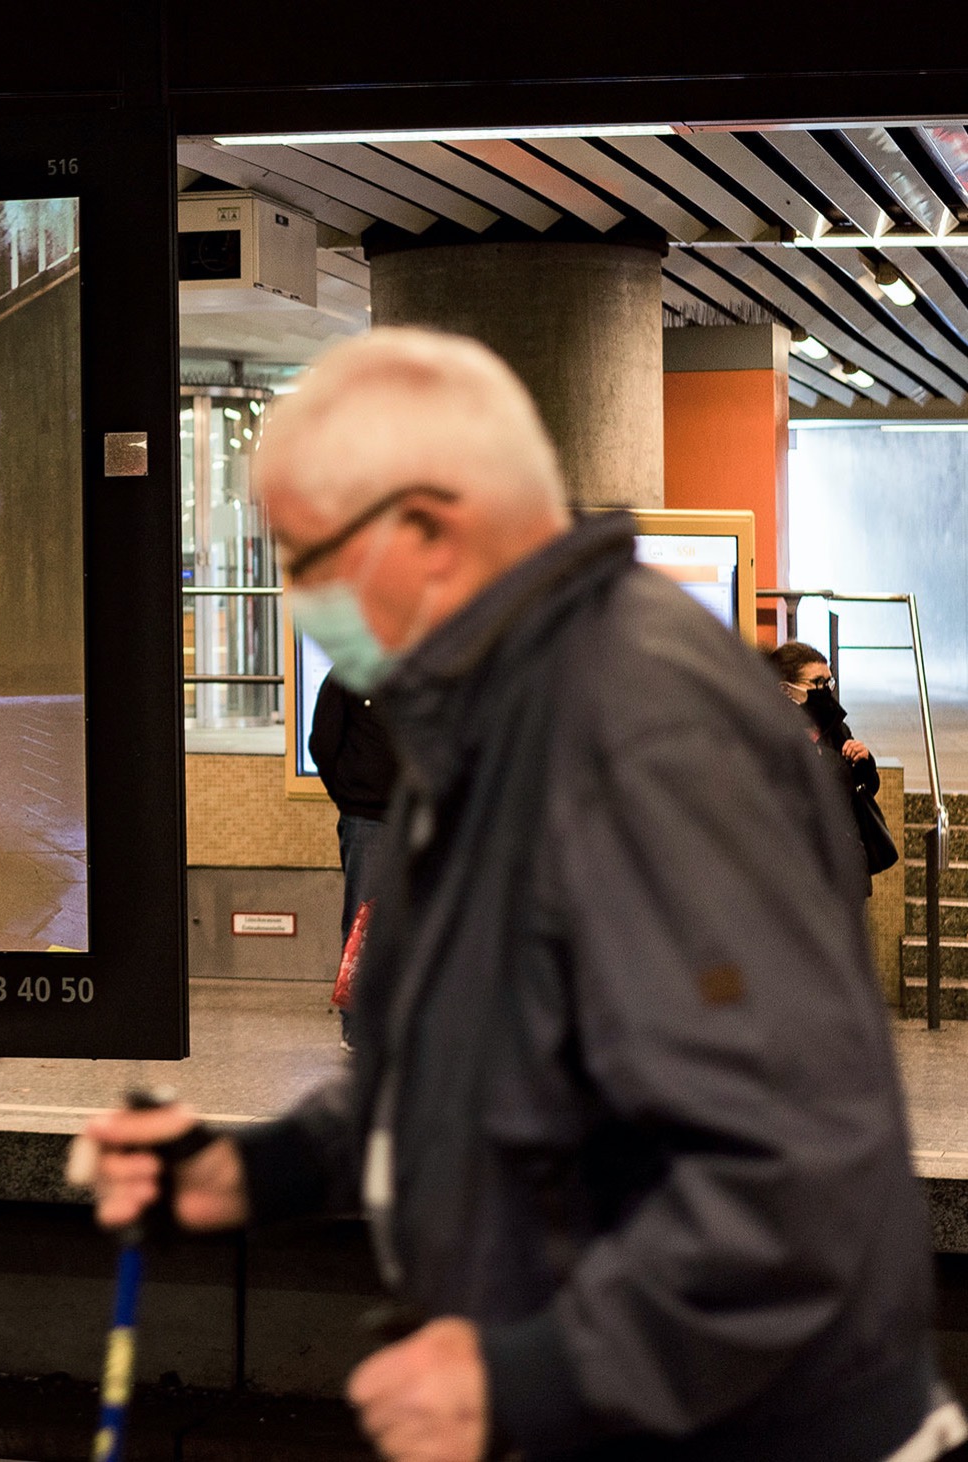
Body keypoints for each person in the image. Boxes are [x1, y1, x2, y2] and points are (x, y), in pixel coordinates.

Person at [69, 328, 954, 1462]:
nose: (297, 594)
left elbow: (787, 1166)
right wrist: (245, 1169)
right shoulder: (488, 733)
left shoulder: (649, 733)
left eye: (308, 554)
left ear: (429, 530)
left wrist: (526, 1377)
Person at [309, 668, 397, 1047]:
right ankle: (356, 1027)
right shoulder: (348, 674)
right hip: (368, 820)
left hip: (420, 815)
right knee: (363, 922)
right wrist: (351, 795)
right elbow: (323, 744)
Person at [770, 640, 900, 879]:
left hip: (845, 868)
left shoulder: (835, 727)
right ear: (785, 690)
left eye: (828, 681)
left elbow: (863, 789)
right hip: (797, 872)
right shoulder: (768, 735)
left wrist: (864, 763)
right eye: (817, 682)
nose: (825, 690)